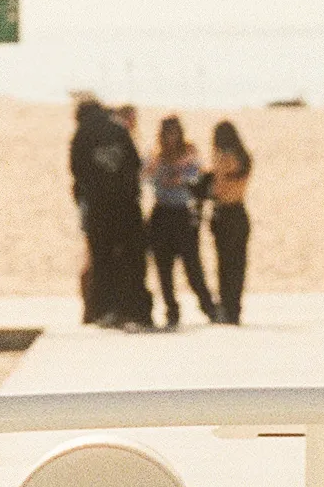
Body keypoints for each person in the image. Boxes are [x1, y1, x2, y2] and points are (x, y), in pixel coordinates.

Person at [68, 93, 149, 326]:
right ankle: (135, 310)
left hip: (98, 207)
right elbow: (134, 164)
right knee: (131, 259)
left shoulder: (82, 135)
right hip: (126, 205)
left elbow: (76, 169)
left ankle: (104, 310)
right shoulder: (119, 130)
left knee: (102, 259)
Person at [146, 117, 214, 328]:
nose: (171, 137)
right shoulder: (156, 155)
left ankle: (208, 306)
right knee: (163, 266)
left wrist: (181, 174)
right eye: (167, 133)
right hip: (162, 212)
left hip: (182, 213)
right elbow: (146, 176)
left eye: (174, 132)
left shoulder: (189, 152)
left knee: (192, 264)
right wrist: (159, 168)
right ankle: (171, 310)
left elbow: (198, 174)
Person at [206, 120, 253, 322]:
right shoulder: (245, 158)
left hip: (224, 212)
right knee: (239, 264)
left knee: (224, 265)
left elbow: (216, 189)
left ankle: (227, 307)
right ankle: (235, 308)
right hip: (240, 210)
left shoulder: (222, 157)